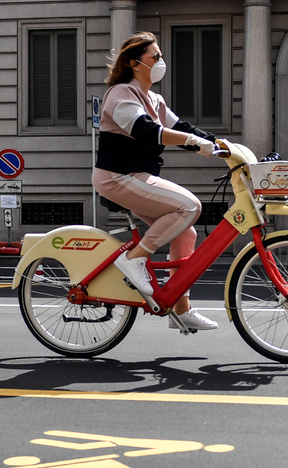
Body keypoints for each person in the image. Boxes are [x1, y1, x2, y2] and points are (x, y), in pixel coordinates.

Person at [94, 32, 219, 331]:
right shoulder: (121, 93)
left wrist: (221, 145)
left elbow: (182, 128)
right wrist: (192, 140)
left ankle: (181, 309)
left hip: (139, 177)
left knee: (185, 233)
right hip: (117, 176)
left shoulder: (154, 99)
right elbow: (146, 130)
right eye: (155, 57)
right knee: (189, 206)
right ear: (135, 63)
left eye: (160, 56)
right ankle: (134, 258)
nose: (161, 62)